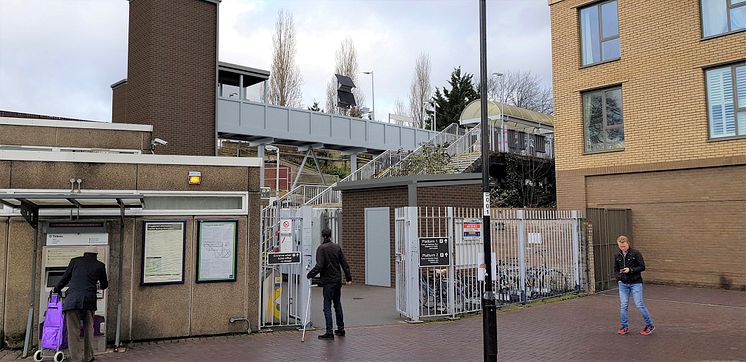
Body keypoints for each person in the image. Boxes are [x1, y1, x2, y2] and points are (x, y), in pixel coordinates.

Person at [54, 246, 108, 362]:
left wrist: (56, 288)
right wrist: (96, 284)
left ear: (84, 253)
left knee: (73, 331)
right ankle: (88, 357)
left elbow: (65, 278)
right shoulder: (100, 265)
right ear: (96, 255)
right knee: (89, 329)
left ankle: (76, 358)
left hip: (72, 301)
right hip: (89, 301)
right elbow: (104, 285)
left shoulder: (75, 261)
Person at [306, 228, 352, 340]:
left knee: (327, 306)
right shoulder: (337, 247)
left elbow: (319, 266)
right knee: (337, 304)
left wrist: (309, 274)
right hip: (337, 280)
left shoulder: (321, 248)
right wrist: (348, 278)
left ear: (322, 235)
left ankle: (329, 332)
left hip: (328, 282)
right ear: (330, 235)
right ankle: (341, 329)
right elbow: (344, 263)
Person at [614, 235, 655, 335]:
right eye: (620, 246)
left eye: (624, 246)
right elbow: (615, 269)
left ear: (628, 243)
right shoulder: (617, 255)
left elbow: (642, 267)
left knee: (639, 305)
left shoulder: (636, 253)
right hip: (623, 284)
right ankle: (624, 326)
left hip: (635, 283)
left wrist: (630, 270)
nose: (622, 248)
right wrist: (619, 278)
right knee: (623, 305)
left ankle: (650, 325)